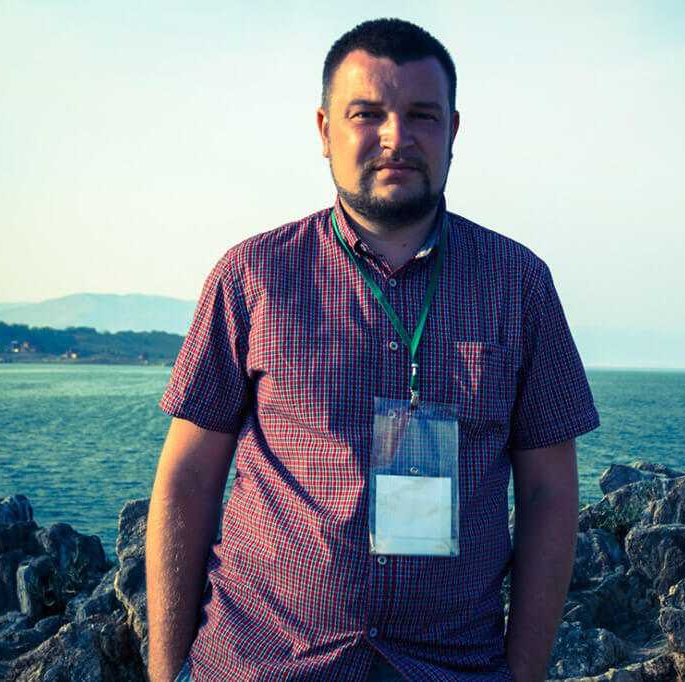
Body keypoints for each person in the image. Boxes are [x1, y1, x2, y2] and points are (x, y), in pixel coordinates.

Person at [146, 18, 598, 682]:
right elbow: (187, 479)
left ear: (453, 131)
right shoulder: (251, 275)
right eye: (368, 114)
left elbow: (548, 494)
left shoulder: (519, 284)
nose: (396, 136)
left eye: (423, 115)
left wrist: (523, 673)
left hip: (451, 668)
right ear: (325, 130)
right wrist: (165, 672)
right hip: (264, 662)